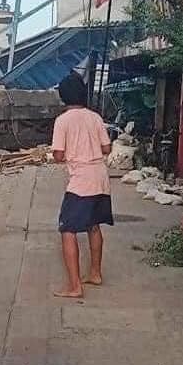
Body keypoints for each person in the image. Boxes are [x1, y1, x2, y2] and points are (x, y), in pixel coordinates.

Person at [51, 72, 113, 298]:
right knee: (93, 225)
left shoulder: (62, 121)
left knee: (67, 229)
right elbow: (107, 149)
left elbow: (58, 155)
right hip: (101, 177)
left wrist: (70, 151)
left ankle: (75, 286)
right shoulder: (95, 117)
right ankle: (95, 273)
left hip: (81, 181)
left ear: (63, 96)